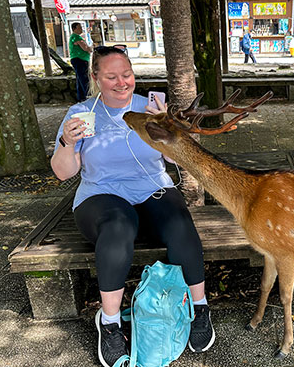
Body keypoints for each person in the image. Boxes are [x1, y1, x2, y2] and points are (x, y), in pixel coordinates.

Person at [51, 45, 215, 367]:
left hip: (151, 188)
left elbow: (174, 159)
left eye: (126, 74)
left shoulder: (150, 108)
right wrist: (67, 143)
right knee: (119, 225)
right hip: (101, 196)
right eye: (111, 76)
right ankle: (109, 323)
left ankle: (199, 307)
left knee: (180, 224)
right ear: (96, 77)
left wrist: (169, 131)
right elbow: (63, 172)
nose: (121, 82)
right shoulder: (81, 115)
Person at [69, 22, 93, 102]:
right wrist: (91, 48)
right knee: (84, 78)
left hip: (79, 59)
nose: (81, 29)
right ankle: (87, 96)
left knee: (80, 79)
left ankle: (81, 97)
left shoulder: (75, 37)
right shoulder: (76, 37)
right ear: (74, 29)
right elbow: (85, 48)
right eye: (79, 27)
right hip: (80, 59)